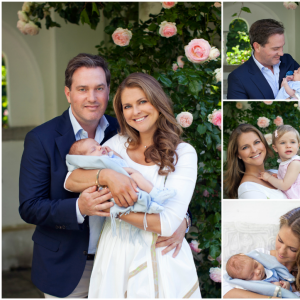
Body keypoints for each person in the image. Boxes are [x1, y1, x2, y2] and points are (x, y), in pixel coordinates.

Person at [19, 53, 189, 298]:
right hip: (67, 268)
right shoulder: (41, 139)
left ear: (108, 91)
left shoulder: (126, 130)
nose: (92, 97)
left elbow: (165, 184)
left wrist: (183, 221)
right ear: (68, 93)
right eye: (82, 89)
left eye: (99, 88)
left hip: (123, 260)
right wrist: (79, 207)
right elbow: (30, 207)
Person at [65, 73, 201, 298]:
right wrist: (107, 175)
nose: (135, 111)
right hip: (115, 252)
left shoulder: (183, 153)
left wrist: (114, 211)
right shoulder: (116, 144)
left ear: (157, 102)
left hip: (160, 253)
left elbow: (167, 224)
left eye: (142, 102)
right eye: (127, 106)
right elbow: (70, 180)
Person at [223, 207, 300, 298]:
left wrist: (287, 287)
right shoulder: (259, 256)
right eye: (280, 240)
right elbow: (226, 291)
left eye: (292, 249)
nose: (281, 251)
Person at [227, 19, 300, 99]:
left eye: (282, 46)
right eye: (275, 49)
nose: (281, 53)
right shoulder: (238, 78)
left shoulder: (288, 60)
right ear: (257, 47)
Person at [224, 123, 287, 199]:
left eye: (257, 142)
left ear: (263, 142)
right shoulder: (248, 190)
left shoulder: (277, 172)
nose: (254, 150)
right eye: (245, 147)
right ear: (238, 154)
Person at [259, 125, 300, 199]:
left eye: (292, 142)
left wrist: (269, 178)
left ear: (298, 146)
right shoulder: (286, 162)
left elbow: (285, 185)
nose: (288, 146)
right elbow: (288, 179)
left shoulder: (295, 163)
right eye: (283, 143)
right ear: (275, 148)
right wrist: (278, 177)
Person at [226, 253, 293, 291]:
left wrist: (286, 285)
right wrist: (273, 288)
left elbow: (284, 280)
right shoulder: (257, 286)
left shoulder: (269, 269)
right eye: (252, 275)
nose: (258, 271)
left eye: (256, 265)